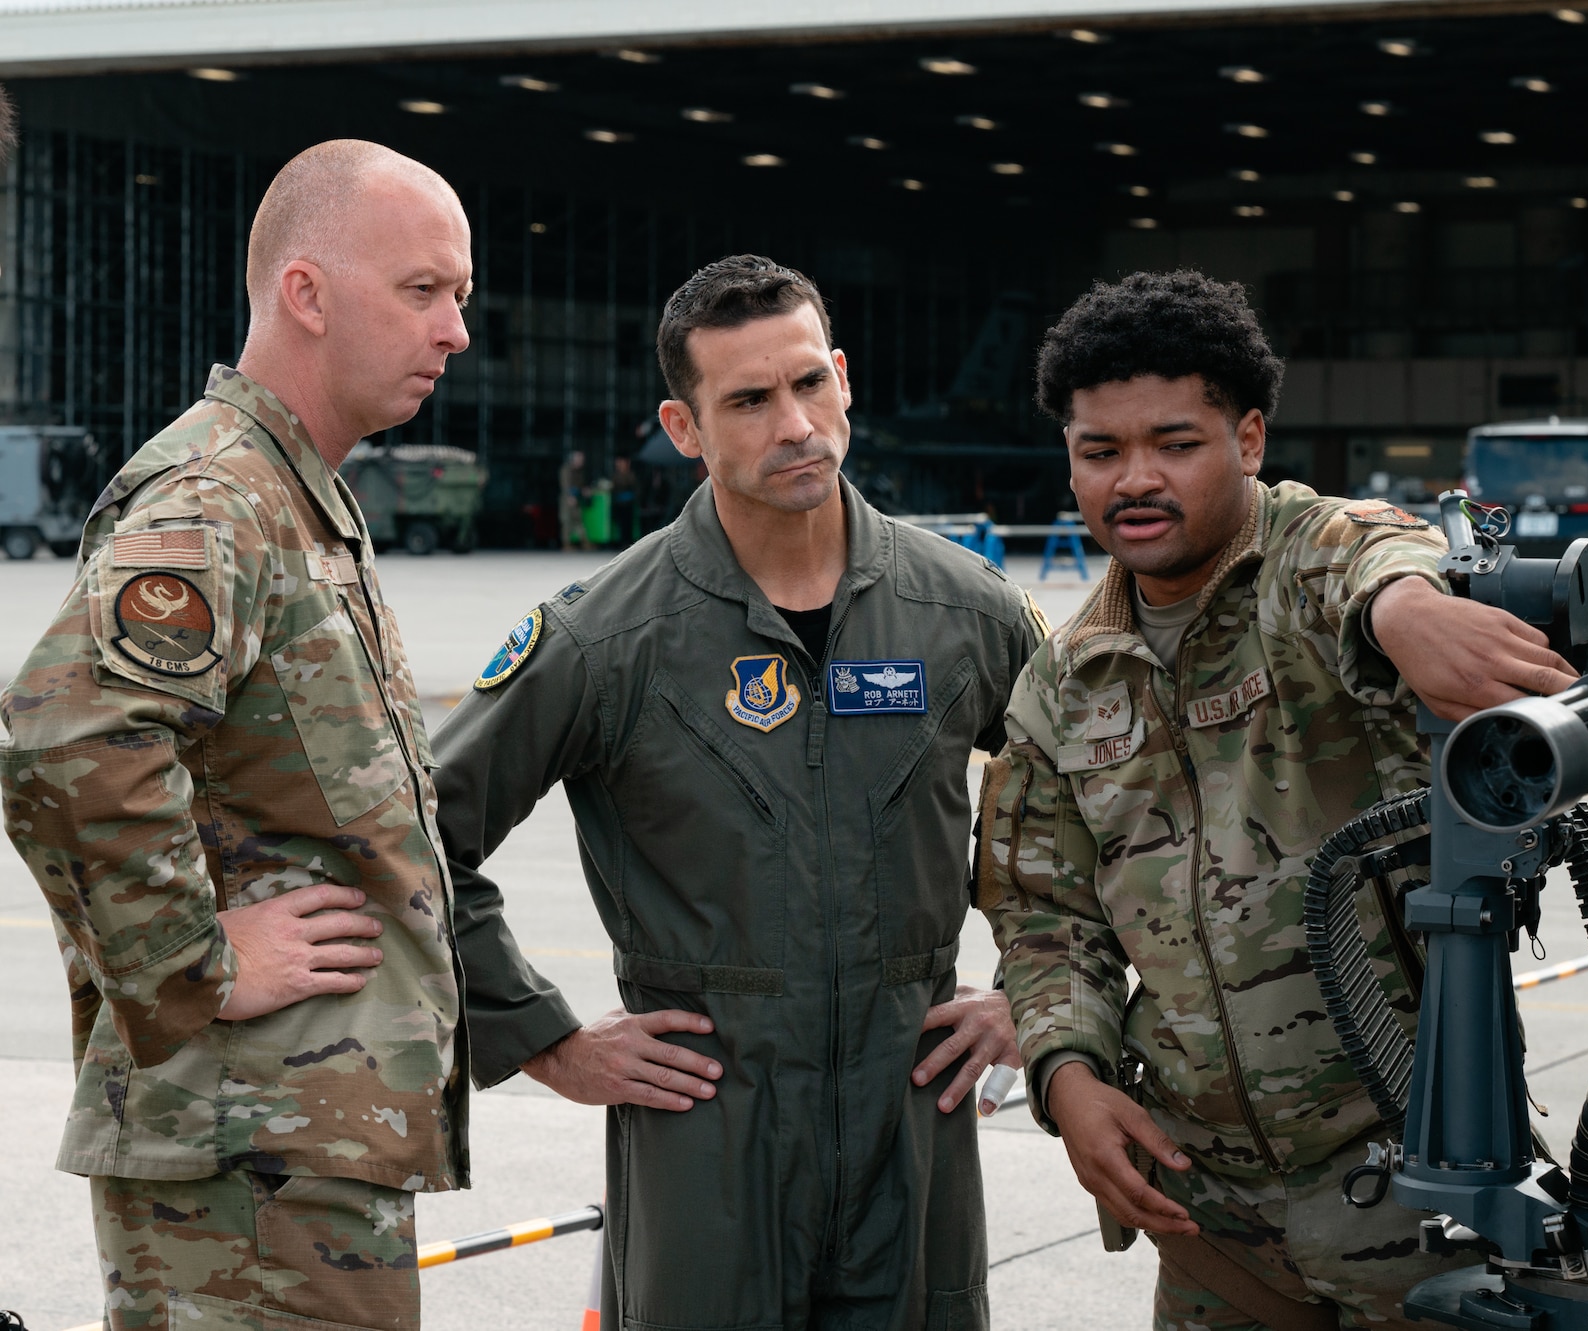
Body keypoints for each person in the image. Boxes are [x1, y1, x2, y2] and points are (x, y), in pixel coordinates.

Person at [432, 254, 1042, 1330]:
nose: (794, 424)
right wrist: (544, 1038)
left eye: (809, 383)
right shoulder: (606, 638)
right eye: (748, 401)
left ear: (844, 378)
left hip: (915, 1114)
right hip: (707, 1126)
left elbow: (1111, 803)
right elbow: (416, 837)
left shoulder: (963, 610)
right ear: (684, 426)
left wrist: (1037, 994)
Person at [975, 271, 1579, 1330]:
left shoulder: (1308, 568)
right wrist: (1065, 1075)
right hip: (1208, 1220)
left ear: (1247, 439)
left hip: (1412, 1190)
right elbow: (1042, 916)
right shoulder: (1063, 684)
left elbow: (1359, 552)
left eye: (1175, 441)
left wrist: (1404, 608)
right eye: (1099, 451)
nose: (1135, 479)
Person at [0, 139, 474, 1331]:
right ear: (305, 294)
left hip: (299, 1147)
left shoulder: (298, 495)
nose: (455, 330)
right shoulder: (221, 495)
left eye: (459, 296)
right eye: (422, 291)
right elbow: (65, 732)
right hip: (246, 1163)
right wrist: (192, 963)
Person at [559, 447, 595, 550]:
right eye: (579, 459)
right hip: (567, 499)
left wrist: (584, 490)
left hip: (576, 498)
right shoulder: (566, 469)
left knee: (579, 521)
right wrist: (569, 496)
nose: (581, 462)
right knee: (566, 521)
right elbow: (565, 485)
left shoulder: (580, 471)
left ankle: (585, 542)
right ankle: (566, 544)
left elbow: (580, 484)